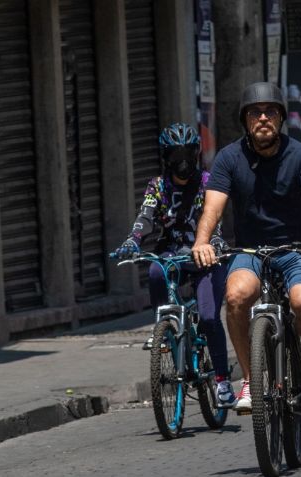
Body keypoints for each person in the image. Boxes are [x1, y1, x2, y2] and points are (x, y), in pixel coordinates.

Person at [191, 82, 301, 412]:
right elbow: (212, 208)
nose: (263, 118)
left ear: (282, 118)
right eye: (255, 113)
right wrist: (201, 243)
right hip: (250, 251)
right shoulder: (229, 158)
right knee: (236, 296)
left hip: (298, 249)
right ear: (245, 120)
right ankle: (249, 379)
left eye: (271, 111)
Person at [112, 123, 234, 408]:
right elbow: (145, 216)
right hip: (171, 254)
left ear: (196, 154)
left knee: (209, 317)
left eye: (187, 154)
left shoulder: (208, 182)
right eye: (175, 155)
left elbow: (215, 219)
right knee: (155, 271)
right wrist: (133, 240)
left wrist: (215, 244)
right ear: (165, 157)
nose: (182, 162)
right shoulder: (157, 186)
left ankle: (221, 379)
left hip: (206, 257)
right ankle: (164, 330)